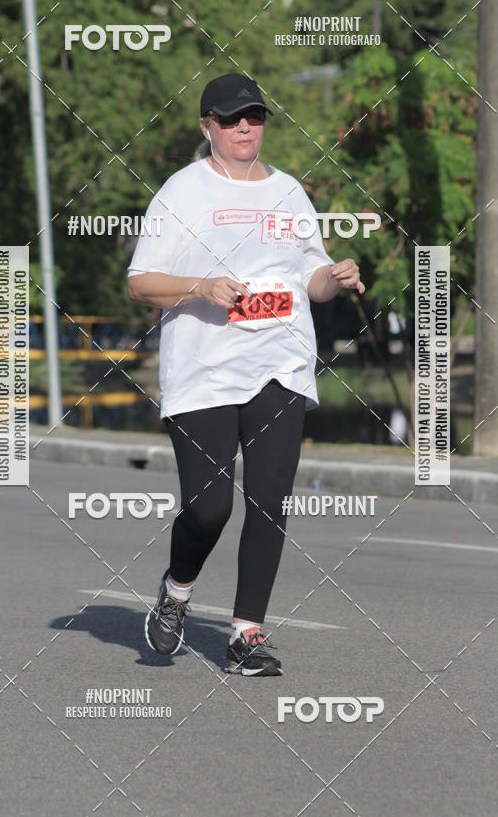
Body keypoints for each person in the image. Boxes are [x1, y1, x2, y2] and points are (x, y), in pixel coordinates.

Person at [127, 72, 364, 676]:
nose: (244, 129)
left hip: (279, 365)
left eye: (253, 118)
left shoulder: (288, 193)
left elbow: (308, 276)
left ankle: (245, 636)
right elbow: (139, 283)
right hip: (204, 370)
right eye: (230, 119)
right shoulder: (182, 193)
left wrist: (332, 278)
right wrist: (201, 285)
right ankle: (177, 591)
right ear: (207, 126)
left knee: (269, 502)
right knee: (209, 510)